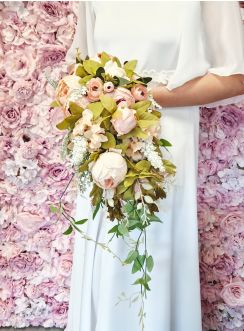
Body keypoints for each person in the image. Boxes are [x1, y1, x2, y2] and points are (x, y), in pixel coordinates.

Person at [64, 2, 244, 331]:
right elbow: (81, 69)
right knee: (107, 248)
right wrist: (89, 110)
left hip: (166, 139)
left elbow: (234, 77)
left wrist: (141, 97)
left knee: (155, 249)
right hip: (103, 137)